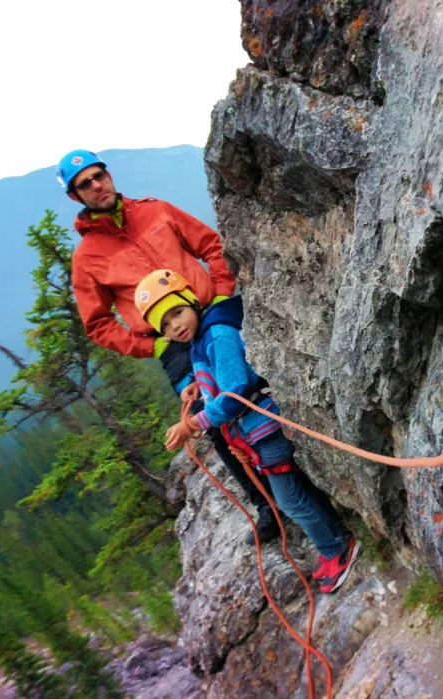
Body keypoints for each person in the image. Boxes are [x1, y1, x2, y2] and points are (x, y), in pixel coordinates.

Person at [57, 149, 279, 543]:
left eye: (98, 176)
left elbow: (211, 245)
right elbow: (98, 323)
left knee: (259, 376)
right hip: (170, 343)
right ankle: (266, 505)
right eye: (85, 184)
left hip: (211, 309)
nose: (96, 186)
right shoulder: (87, 258)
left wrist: (224, 291)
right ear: (76, 197)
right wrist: (152, 347)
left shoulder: (155, 210)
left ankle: (290, 464)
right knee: (208, 414)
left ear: (108, 175)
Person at [136, 269, 360, 593]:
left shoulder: (216, 334)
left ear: (191, 301)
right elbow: (220, 374)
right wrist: (197, 387)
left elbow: (235, 390)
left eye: (177, 312)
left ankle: (338, 549)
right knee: (293, 493)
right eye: (166, 325)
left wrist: (192, 424)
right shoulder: (203, 340)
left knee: (290, 499)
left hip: (264, 427)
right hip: (256, 429)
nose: (176, 325)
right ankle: (336, 541)